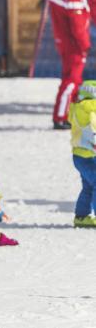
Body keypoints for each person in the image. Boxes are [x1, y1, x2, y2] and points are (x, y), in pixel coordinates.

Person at [49, 0, 90, 130]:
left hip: (65, 42)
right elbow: (77, 27)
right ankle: (60, 116)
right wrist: (85, 45)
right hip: (74, 45)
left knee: (71, 79)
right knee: (72, 80)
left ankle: (68, 114)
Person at [68, 80, 96, 227]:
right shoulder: (92, 109)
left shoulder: (77, 108)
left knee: (89, 186)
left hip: (78, 155)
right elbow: (93, 130)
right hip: (90, 156)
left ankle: (81, 216)